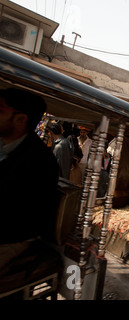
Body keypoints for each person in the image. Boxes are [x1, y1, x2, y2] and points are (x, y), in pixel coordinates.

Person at [0, 88, 59, 274]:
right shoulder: (5, 144)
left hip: (14, 238)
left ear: (20, 119)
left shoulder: (40, 160)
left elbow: (17, 214)